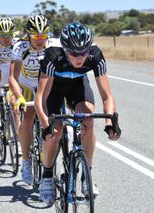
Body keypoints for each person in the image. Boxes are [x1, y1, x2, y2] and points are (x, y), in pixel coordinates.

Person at [35, 22, 121, 207]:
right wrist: (45, 124)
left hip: (77, 86)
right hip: (53, 88)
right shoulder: (52, 55)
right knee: (55, 132)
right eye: (74, 53)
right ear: (65, 49)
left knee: (88, 122)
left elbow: (107, 96)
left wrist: (110, 122)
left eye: (84, 52)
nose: (80, 57)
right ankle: (48, 175)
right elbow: (40, 98)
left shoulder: (95, 55)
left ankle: (86, 176)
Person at [9, 15, 50, 185]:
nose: (40, 40)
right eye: (36, 36)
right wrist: (18, 97)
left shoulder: (52, 45)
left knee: (52, 120)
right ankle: (26, 162)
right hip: (25, 86)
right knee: (27, 121)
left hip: (44, 85)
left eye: (43, 36)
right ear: (28, 35)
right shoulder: (20, 47)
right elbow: (12, 77)